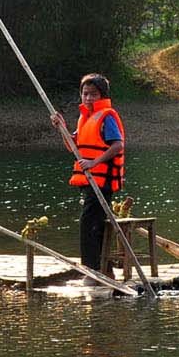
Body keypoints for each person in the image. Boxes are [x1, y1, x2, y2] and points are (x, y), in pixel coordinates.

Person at [48, 73, 125, 275]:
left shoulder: (106, 116)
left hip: (102, 182)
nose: (89, 98)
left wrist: (93, 162)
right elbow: (73, 147)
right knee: (94, 225)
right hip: (90, 183)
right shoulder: (85, 118)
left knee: (89, 224)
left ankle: (93, 270)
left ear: (102, 96)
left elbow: (117, 145)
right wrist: (61, 127)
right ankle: (103, 269)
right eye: (85, 94)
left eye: (94, 94)